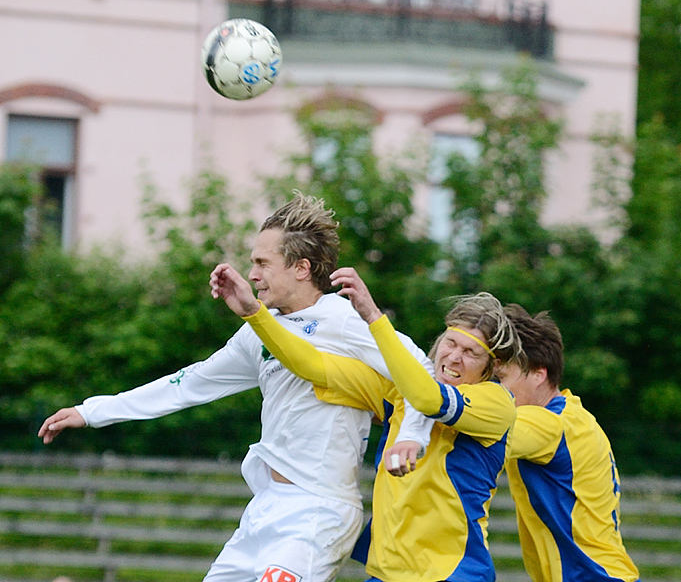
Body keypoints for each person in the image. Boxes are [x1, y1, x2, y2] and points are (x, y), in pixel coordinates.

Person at [37, 193, 434, 582]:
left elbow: (419, 370)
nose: (254, 274)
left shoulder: (342, 318)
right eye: (251, 263)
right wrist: (92, 411)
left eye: (262, 263)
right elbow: (188, 383)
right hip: (265, 509)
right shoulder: (258, 333)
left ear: (301, 268)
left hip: (318, 512)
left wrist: (413, 435)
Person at [211, 264, 522, 582]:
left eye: (471, 352)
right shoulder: (398, 389)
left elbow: (428, 399)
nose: (455, 357)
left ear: (491, 366)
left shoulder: (495, 402)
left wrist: (373, 317)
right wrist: (255, 313)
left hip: (451, 573)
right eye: (451, 343)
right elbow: (313, 365)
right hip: (385, 574)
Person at [496, 304, 640, 582]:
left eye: (500, 379)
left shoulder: (550, 424)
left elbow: (479, 425)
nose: (493, 390)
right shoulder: (571, 414)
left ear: (539, 374)